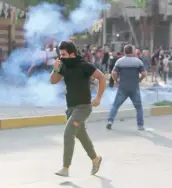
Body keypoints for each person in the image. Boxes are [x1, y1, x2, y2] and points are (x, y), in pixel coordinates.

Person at [50, 40, 106, 177]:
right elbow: (53, 81)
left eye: (63, 54)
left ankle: (65, 167)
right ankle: (95, 159)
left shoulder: (84, 65)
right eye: (60, 54)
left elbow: (102, 77)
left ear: (72, 54)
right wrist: (55, 69)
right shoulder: (63, 65)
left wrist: (98, 98)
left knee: (68, 133)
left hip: (83, 108)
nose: (61, 57)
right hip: (71, 108)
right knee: (81, 135)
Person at [107, 44, 147, 131]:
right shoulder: (138, 62)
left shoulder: (120, 61)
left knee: (115, 106)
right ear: (132, 51)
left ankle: (110, 121)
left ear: (124, 51)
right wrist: (139, 80)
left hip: (123, 87)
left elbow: (113, 73)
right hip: (134, 87)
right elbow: (144, 74)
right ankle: (140, 125)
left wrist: (116, 81)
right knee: (138, 107)